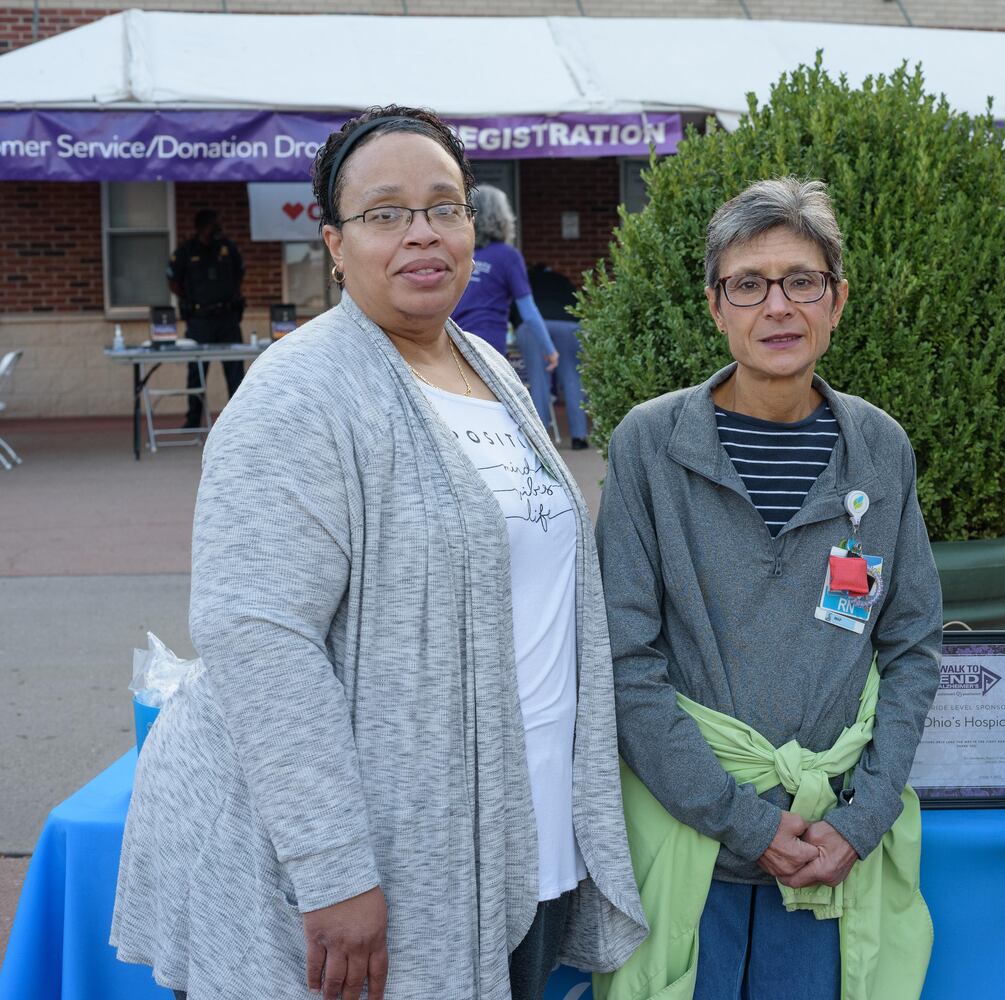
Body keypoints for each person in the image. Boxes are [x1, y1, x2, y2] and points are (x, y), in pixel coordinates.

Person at [112, 105, 646, 1000]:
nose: (422, 234)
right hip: (361, 866)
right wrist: (334, 869)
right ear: (334, 241)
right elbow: (259, 636)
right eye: (386, 213)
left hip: (515, 827)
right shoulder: (299, 394)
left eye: (445, 206)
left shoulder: (489, 366)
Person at [594, 177, 942, 1000]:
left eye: (801, 281)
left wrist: (861, 821)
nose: (777, 306)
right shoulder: (650, 446)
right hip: (688, 838)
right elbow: (623, 659)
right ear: (716, 306)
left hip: (831, 850)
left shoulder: (879, 451)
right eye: (749, 284)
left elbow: (914, 646)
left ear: (837, 300)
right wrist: (744, 821)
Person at [451, 185, 561, 431]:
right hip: (489, 345)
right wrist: (549, 349)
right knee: (488, 413)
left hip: (450, 341)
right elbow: (528, 311)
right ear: (502, 216)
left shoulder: (459, 253)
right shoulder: (507, 256)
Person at [167, 209, 245, 428]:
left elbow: (239, 274)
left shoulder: (228, 249)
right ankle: (193, 419)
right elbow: (173, 281)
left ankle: (239, 421)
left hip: (227, 318)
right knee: (196, 372)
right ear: (201, 227)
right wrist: (191, 300)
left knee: (235, 372)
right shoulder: (186, 251)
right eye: (213, 225)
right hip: (200, 320)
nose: (217, 229)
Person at [522, 262, 590, 449]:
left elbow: (518, 307)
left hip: (535, 326)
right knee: (572, 379)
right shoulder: (562, 280)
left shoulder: (526, 280)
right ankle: (579, 437)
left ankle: (540, 440)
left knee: (539, 381)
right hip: (569, 324)